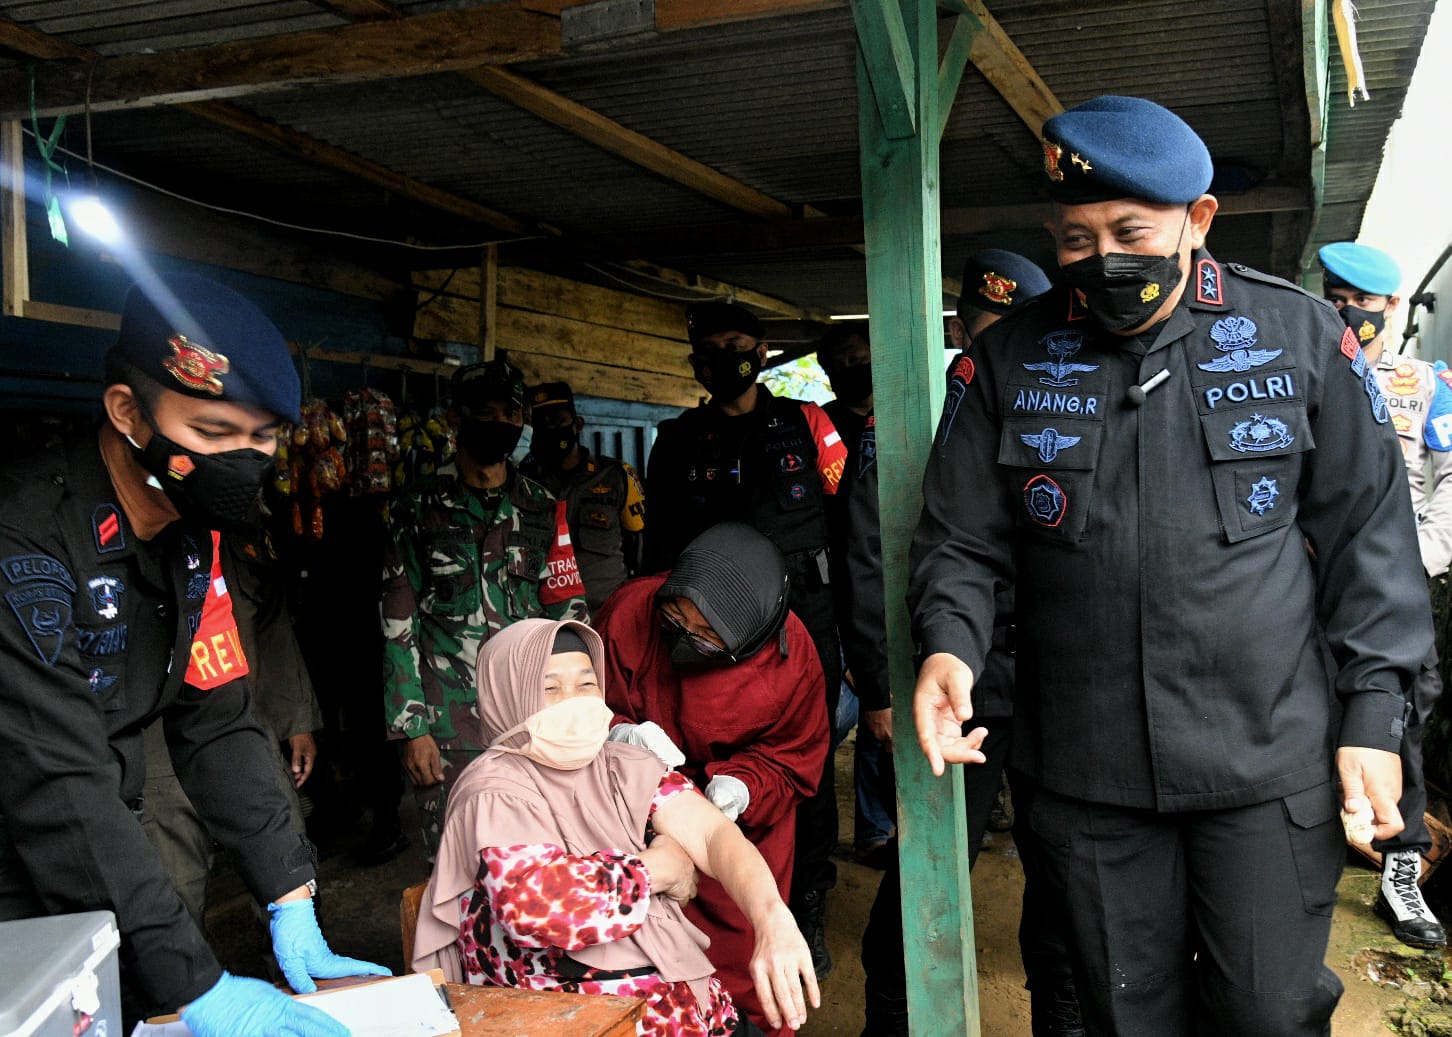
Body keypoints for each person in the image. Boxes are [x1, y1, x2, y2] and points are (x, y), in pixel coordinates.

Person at [909, 95, 1432, 1035]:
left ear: (1197, 221)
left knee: (1268, 1012)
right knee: (1121, 1014)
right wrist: (951, 646)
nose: (1102, 257)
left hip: (1268, 759)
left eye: (1129, 230)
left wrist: (1375, 717)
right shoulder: (1009, 362)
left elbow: (1371, 544)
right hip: (1086, 768)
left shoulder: (1302, 338)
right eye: (1075, 238)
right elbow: (961, 540)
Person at [0, 272, 388, 1036]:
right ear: (126, 411)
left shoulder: (191, 538)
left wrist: (290, 891)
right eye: (213, 435)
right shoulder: (26, 543)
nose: (244, 460)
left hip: (91, 866)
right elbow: (59, 779)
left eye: (264, 437)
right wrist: (198, 982)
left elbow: (217, 717)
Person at [849, 251, 1083, 1037]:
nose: (996, 348)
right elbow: (871, 551)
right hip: (956, 682)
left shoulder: (1076, 396)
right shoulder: (918, 407)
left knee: (1067, 885)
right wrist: (880, 682)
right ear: (961, 327)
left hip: (1060, 685)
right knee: (925, 871)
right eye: (984, 330)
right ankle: (892, 1018)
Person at [411, 617, 820, 1036]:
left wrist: (772, 918)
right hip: (573, 1015)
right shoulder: (493, 790)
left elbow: (714, 835)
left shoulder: (620, 766)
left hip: (677, 1003)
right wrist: (657, 869)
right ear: (509, 695)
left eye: (586, 684)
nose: (574, 701)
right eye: (550, 688)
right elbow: (539, 909)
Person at [644, 302, 847, 975]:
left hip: (803, 630)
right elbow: (657, 553)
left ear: (761, 351)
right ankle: (714, 900)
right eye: (714, 348)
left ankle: (804, 900)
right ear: (698, 360)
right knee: (712, 764)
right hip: (709, 638)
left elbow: (852, 527)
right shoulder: (678, 440)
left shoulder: (805, 423)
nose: (729, 357)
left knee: (801, 766)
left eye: (741, 345)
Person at [595, 522, 829, 1036]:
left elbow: (795, 754)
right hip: (638, 813)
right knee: (644, 962)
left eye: (706, 636)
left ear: (750, 639)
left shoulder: (792, 661)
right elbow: (582, 704)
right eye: (677, 619)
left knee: (751, 956)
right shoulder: (632, 613)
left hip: (747, 827)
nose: (685, 640)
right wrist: (618, 737)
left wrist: (744, 785)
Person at [382, 359, 588, 857]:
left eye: (510, 412)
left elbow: (569, 611)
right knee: (456, 861)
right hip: (450, 724)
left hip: (532, 717)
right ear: (456, 418)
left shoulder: (540, 505)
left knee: (542, 857)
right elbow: (397, 622)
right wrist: (414, 730)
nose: (499, 421)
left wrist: (579, 708)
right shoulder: (415, 508)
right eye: (484, 410)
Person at [1320, 240, 1451, 948]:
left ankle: (1401, 878)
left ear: (1393, 307)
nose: (1348, 312)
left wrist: (1412, 559)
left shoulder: (1426, 383)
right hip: (1304, 593)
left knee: (1399, 726)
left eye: (1362, 302)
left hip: (1392, 598)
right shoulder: (1298, 369)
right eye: (1335, 295)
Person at [521, 381, 646, 612]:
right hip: (542, 617)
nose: (550, 428)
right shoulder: (523, 482)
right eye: (541, 423)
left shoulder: (616, 476)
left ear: (577, 424)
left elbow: (639, 549)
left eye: (558, 420)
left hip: (606, 613)